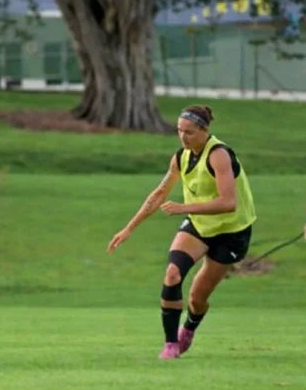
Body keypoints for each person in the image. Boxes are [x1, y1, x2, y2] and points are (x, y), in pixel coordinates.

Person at [108, 105, 256, 359]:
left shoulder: (219, 155)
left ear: (204, 130)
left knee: (198, 298)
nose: (183, 136)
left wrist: (183, 207)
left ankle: (188, 329)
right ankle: (170, 345)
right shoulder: (181, 157)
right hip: (199, 225)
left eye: (189, 132)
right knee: (173, 273)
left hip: (232, 232)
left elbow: (227, 202)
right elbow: (158, 195)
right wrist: (129, 228)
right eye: (179, 131)